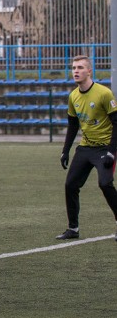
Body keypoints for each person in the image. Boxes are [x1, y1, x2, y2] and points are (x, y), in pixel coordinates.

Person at [56, 55, 117, 241]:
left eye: (80, 67)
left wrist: (111, 151)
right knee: (70, 185)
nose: (76, 71)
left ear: (89, 71)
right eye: (74, 67)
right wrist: (65, 150)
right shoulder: (73, 96)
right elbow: (73, 125)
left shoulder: (104, 93)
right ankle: (73, 229)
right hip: (85, 148)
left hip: (104, 148)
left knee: (105, 184)